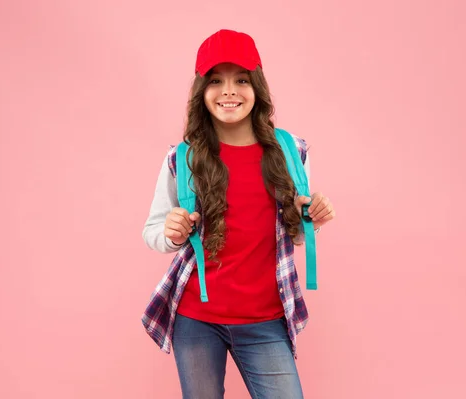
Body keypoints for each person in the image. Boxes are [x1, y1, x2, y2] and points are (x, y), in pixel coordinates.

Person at [141, 29, 335, 399]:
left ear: (257, 87)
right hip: (196, 319)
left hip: (265, 320)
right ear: (202, 92)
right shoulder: (184, 158)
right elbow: (153, 231)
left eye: (241, 80)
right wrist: (171, 231)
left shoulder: (290, 151)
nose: (229, 91)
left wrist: (312, 221)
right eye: (216, 81)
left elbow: (295, 233)